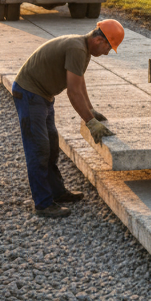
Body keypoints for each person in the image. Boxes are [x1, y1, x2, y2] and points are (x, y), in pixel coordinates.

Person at [12, 18, 125, 217]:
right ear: (100, 41)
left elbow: (79, 83)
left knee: (51, 145)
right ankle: (43, 204)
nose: (107, 53)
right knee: (39, 149)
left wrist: (91, 110)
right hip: (30, 95)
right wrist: (90, 122)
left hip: (43, 97)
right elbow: (73, 92)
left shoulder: (83, 49)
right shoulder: (78, 49)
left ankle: (57, 192)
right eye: (109, 48)